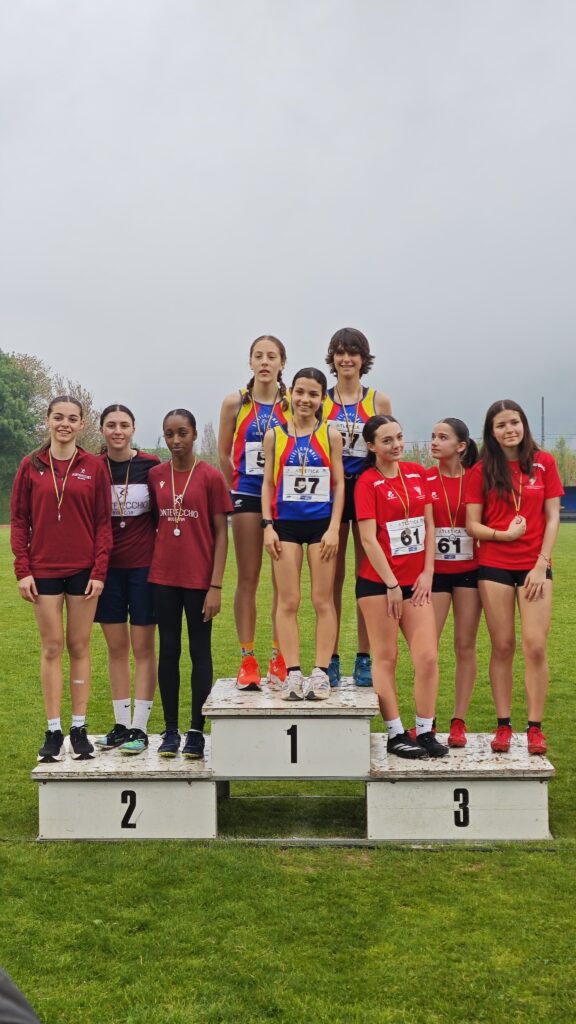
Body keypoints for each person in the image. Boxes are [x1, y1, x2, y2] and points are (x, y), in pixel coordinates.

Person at [10, 396, 112, 762]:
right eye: (58, 417)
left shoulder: (94, 467)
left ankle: (79, 728)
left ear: (82, 424)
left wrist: (99, 571)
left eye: (71, 418)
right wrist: (23, 570)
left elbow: (103, 523)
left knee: (79, 646)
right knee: (52, 647)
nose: (64, 424)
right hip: (43, 571)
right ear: (48, 420)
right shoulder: (31, 465)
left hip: (84, 571)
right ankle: (53, 730)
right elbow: (19, 521)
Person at [465, 400, 563, 755]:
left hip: (535, 566)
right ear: (491, 432)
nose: (509, 430)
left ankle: (535, 728)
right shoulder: (481, 470)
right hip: (494, 565)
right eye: (501, 425)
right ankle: (503, 725)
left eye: (514, 422)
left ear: (524, 425)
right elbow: (472, 525)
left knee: (535, 646)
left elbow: (553, 517)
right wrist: (503, 535)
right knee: (503, 646)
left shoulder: (544, 462)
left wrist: (541, 563)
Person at [354, 415, 448, 758]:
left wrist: (428, 572)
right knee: (386, 658)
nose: (396, 445)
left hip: (417, 584)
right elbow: (368, 538)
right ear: (371, 446)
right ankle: (395, 734)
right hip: (379, 585)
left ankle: (424, 730)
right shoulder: (367, 482)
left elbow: (430, 524)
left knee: (427, 657)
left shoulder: (416, 473)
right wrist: (391, 584)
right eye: (387, 440)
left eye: (399, 437)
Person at [148, 409, 232, 758]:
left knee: (200, 651)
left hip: (200, 582)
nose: (176, 440)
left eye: (182, 433)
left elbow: (221, 534)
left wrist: (216, 586)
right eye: (169, 434)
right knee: (168, 650)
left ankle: (196, 730)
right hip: (163, 578)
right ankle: (170, 730)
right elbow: (155, 523)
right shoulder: (156, 475)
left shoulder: (210, 476)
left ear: (195, 434)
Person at [261, 367, 344, 700]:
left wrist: (335, 528)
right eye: (300, 392)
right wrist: (267, 525)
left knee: (322, 600)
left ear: (322, 398)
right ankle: (293, 673)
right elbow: (268, 484)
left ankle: (320, 673)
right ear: (290, 393)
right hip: (286, 525)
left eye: (313, 394)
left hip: (322, 524)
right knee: (288, 601)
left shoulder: (331, 434)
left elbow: (339, 484)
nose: (305, 399)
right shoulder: (274, 435)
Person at [218, 336, 290, 691]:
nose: (264, 362)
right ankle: (247, 659)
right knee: (248, 578)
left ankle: (279, 655)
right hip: (246, 493)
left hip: (283, 498)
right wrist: (237, 485)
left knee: (283, 582)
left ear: (281, 363)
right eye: (258, 356)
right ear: (250, 362)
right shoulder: (235, 402)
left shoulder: (291, 403)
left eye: (271, 356)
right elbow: (223, 453)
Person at [322, 328, 392, 687]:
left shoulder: (378, 401)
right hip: (332, 492)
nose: (346, 359)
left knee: (367, 575)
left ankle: (364, 656)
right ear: (332, 358)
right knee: (331, 578)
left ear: (364, 358)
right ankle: (330, 657)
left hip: (367, 489)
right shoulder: (321, 399)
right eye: (340, 352)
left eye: (353, 352)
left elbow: (387, 447)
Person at [94, 404, 160, 755]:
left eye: (123, 425)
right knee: (116, 649)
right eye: (111, 425)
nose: (117, 431)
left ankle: (140, 728)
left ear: (133, 428)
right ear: (102, 429)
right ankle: (121, 725)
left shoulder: (151, 466)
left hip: (144, 569)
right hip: (107, 572)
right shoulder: (93, 467)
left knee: (143, 649)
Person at [426, 418, 481, 748]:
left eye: (442, 437)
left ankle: (458, 721)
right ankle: (427, 720)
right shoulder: (424, 478)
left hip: (470, 571)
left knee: (464, 645)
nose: (434, 442)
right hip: (434, 573)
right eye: (433, 436)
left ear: (461, 446)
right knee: (428, 648)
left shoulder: (476, 478)